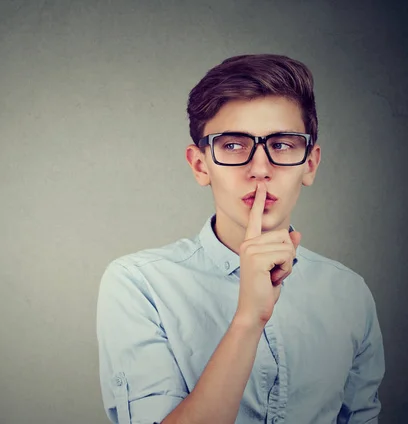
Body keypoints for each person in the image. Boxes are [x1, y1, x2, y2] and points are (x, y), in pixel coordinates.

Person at [96, 54, 385, 424]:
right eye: (233, 145)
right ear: (201, 165)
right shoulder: (139, 284)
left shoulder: (349, 293)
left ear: (310, 164)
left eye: (282, 145)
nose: (260, 169)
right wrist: (249, 318)